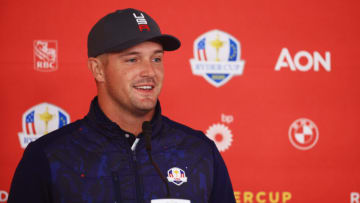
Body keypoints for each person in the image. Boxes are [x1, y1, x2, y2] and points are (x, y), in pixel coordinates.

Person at [8, 8, 236, 203]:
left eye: (156, 59)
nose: (150, 72)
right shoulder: (48, 157)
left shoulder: (199, 152)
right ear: (98, 69)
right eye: (132, 59)